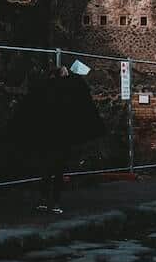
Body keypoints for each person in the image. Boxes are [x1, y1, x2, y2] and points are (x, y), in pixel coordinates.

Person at [32, 61, 104, 214]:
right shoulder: (67, 93)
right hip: (61, 138)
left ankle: (44, 200)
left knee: (46, 170)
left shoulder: (45, 91)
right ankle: (55, 202)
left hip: (46, 137)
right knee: (57, 171)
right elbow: (80, 91)